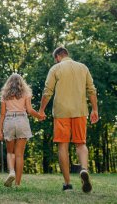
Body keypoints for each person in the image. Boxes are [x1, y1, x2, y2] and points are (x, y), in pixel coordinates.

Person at [38, 46, 99, 193]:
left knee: (63, 146)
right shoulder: (83, 67)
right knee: (81, 144)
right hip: (80, 111)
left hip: (61, 113)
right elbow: (91, 90)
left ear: (58, 56)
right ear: (67, 54)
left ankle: (67, 184)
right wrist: (95, 109)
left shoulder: (56, 68)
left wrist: (41, 110)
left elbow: (47, 92)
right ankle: (84, 169)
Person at [0, 73, 42, 187]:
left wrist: (0, 130)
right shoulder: (26, 93)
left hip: (9, 120)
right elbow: (29, 110)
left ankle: (11, 171)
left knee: (10, 152)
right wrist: (40, 116)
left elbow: (2, 114)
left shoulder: (5, 95)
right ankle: (17, 184)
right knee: (19, 155)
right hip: (22, 120)